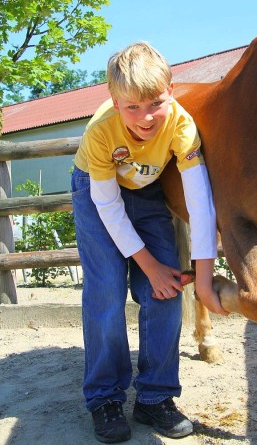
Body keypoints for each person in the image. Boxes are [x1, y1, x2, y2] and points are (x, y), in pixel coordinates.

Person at [71, 41, 227, 444]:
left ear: (170, 91)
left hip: (146, 192)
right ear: (113, 100)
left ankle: (155, 397)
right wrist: (150, 265)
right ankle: (104, 398)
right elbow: (108, 207)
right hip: (98, 191)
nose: (146, 118)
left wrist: (205, 280)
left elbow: (200, 203)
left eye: (155, 103)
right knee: (106, 290)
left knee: (167, 291)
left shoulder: (180, 125)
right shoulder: (101, 131)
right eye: (132, 107)